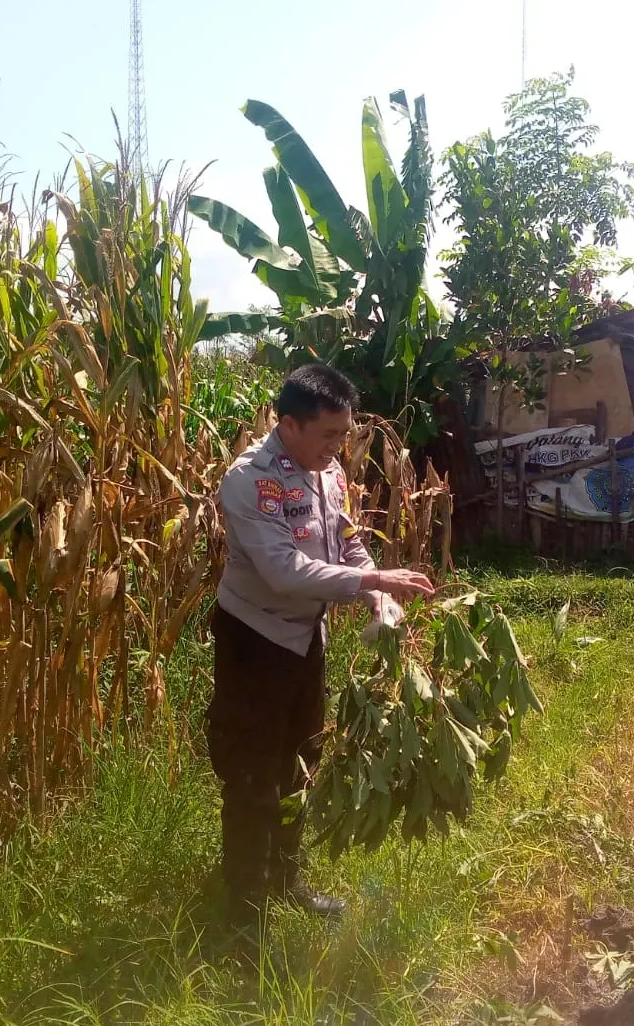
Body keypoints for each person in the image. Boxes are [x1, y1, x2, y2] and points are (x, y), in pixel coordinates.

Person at [210, 363, 436, 938]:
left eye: (344, 434)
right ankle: (243, 911)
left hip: (307, 638)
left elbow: (345, 539)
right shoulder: (249, 480)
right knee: (253, 773)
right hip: (255, 641)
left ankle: (287, 880)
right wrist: (372, 581)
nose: (339, 446)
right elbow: (283, 570)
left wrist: (375, 594)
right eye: (329, 434)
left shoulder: (326, 471)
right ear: (288, 424)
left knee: (301, 765)